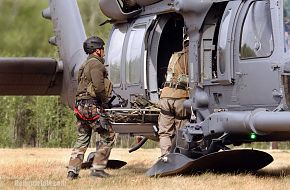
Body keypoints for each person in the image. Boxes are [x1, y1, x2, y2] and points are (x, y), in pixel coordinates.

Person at [67, 36, 115, 179]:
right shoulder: (96, 65)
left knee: (82, 138)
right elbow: (99, 87)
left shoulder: (84, 64)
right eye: (102, 48)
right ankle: (98, 169)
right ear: (97, 50)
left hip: (81, 106)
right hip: (92, 106)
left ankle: (72, 171)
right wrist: (105, 101)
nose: (104, 51)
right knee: (108, 135)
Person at [158, 41, 191, 160]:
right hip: (180, 97)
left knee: (165, 132)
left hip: (165, 96)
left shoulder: (174, 56)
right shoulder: (192, 56)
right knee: (182, 129)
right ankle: (181, 157)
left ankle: (165, 157)